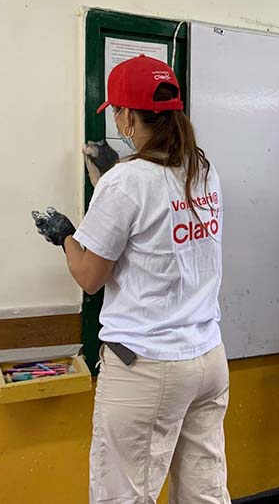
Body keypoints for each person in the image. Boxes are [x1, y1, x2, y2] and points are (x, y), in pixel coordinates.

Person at [31, 55, 230, 503]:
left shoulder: (125, 183)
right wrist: (114, 172)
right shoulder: (203, 170)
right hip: (206, 360)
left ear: (125, 115)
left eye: (117, 112)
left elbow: (89, 277)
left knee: (123, 494)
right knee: (204, 492)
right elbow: (158, 228)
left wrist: (66, 236)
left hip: (147, 366)